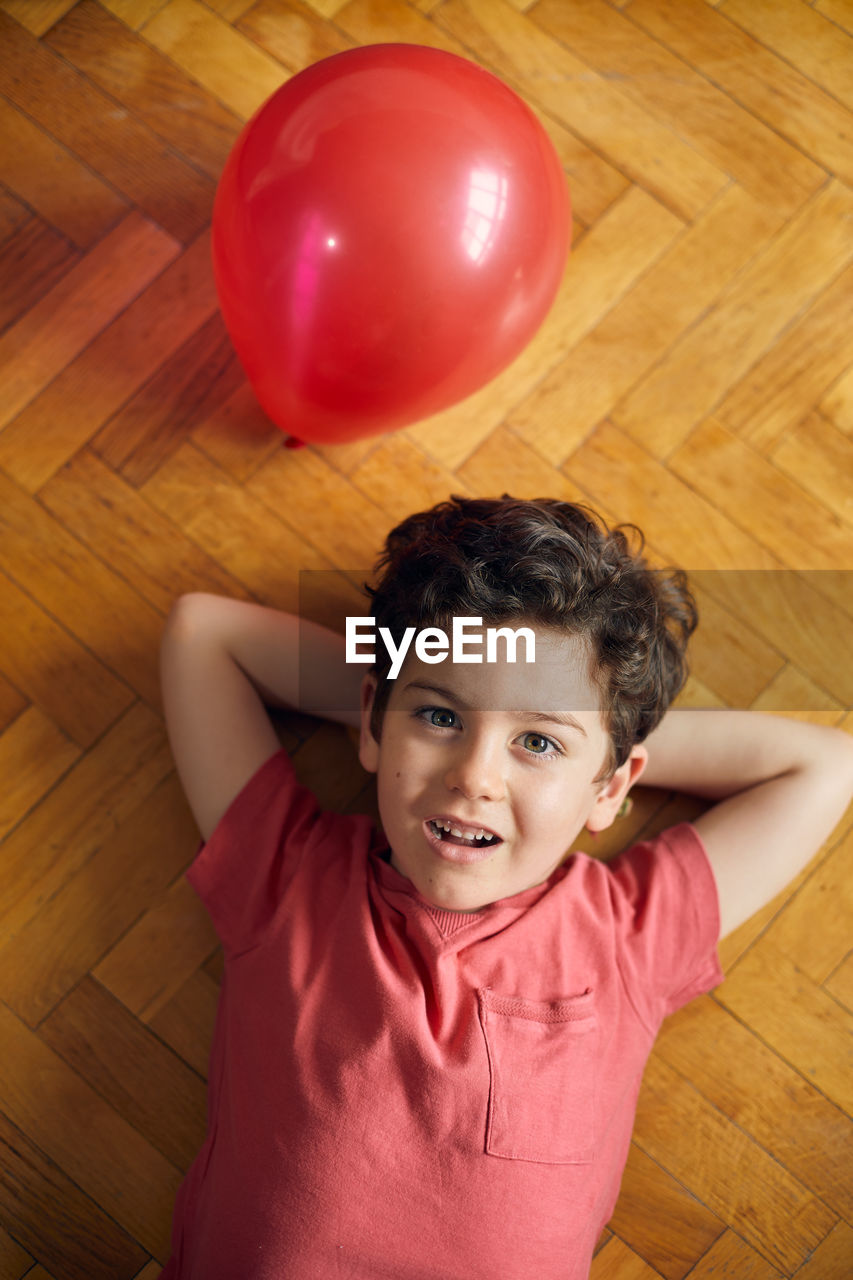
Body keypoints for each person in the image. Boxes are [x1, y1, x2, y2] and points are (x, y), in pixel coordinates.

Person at [157, 495, 853, 1279]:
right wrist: (408, 699)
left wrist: (599, 733)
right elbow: (201, 634)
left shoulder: (626, 936)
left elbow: (822, 767)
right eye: (440, 720)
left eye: (533, 742)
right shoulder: (286, 879)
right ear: (374, 723)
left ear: (612, 786)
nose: (475, 778)